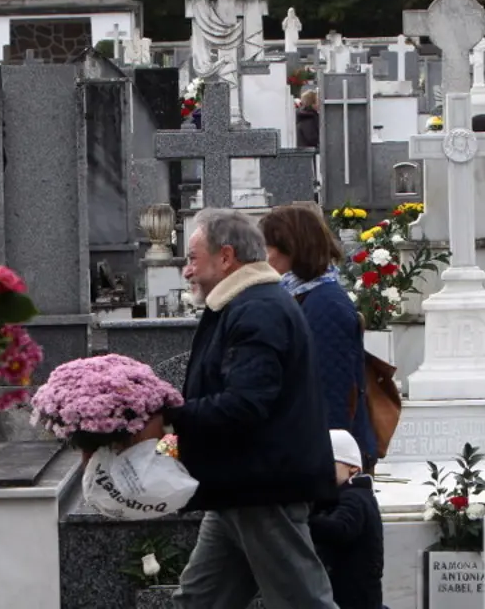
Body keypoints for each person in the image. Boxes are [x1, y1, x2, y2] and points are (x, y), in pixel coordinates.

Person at [161, 208, 338, 609]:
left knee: (302, 602)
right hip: (237, 485)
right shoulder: (244, 303)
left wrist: (169, 412)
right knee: (198, 600)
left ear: (226, 257)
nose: (187, 271)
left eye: (192, 259)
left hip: (263, 486)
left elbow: (245, 405)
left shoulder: (258, 308)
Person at [259, 205, 375, 471]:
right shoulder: (303, 295)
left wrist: (332, 462)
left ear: (291, 248)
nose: (262, 257)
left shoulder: (325, 304)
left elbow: (332, 388)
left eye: (267, 247)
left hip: (331, 457)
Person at [309, 430, 384, 609]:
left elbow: (341, 529)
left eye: (329, 463)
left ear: (353, 468)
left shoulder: (355, 497)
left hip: (354, 598)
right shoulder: (342, 497)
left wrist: (303, 521)